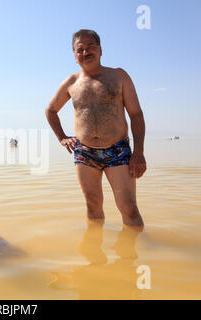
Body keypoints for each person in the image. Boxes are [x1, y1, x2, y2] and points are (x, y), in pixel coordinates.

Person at [45, 29, 146, 227]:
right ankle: (94, 256)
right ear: (75, 56)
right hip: (85, 153)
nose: (85, 52)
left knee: (128, 207)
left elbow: (136, 115)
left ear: (100, 50)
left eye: (90, 47)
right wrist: (62, 137)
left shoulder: (118, 76)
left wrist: (139, 153)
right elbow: (50, 110)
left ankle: (136, 254)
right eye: (79, 49)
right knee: (92, 206)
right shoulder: (71, 82)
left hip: (118, 150)